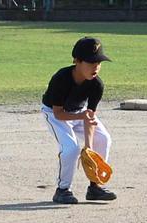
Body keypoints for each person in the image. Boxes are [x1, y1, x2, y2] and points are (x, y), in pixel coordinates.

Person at [41, 37, 117, 204]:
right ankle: (62, 190)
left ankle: (95, 188)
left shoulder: (97, 84)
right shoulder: (61, 78)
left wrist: (89, 147)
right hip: (54, 114)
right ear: (77, 61)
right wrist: (81, 117)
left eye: (99, 62)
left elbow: (90, 116)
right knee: (71, 148)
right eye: (91, 62)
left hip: (79, 113)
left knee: (103, 139)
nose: (96, 67)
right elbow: (59, 113)